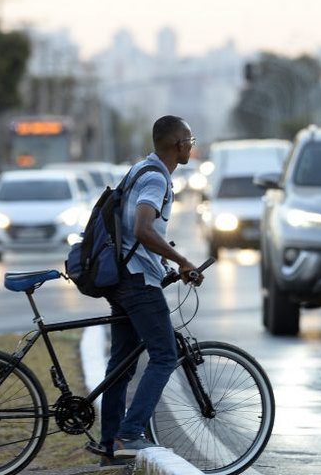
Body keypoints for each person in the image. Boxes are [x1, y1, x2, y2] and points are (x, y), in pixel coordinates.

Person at [94, 115, 204, 468]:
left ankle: (110, 445)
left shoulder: (140, 169)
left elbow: (132, 233)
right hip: (137, 281)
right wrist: (182, 260)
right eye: (190, 140)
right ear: (178, 144)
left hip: (122, 277)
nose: (191, 145)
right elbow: (142, 228)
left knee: (121, 365)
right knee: (165, 355)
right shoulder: (156, 178)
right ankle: (129, 433)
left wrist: (164, 264)